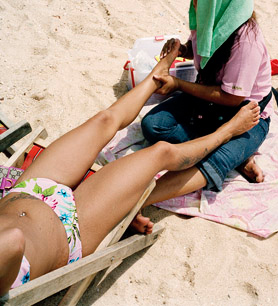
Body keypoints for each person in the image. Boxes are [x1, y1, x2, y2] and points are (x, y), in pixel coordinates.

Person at [0, 39, 260, 295]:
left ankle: (154, 78)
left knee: (104, 120)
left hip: (27, 191)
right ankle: (227, 132)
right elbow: (13, 241)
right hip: (69, 228)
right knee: (159, 153)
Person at [137, 0, 272, 231]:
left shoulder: (246, 41)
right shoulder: (212, 18)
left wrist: (177, 84)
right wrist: (182, 50)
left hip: (244, 114)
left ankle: (139, 200)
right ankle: (232, 152)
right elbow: (203, 48)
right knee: (154, 126)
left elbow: (233, 98)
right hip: (209, 100)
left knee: (215, 162)